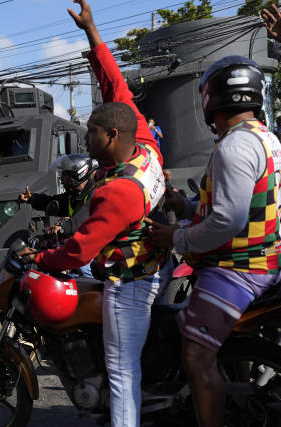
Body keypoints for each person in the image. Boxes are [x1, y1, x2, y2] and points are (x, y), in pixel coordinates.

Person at [19, 2, 168, 425]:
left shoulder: (118, 191)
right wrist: (93, 33)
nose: (85, 136)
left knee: (123, 372)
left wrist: (43, 259)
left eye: (92, 131)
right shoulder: (144, 145)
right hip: (153, 262)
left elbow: (80, 248)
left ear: (112, 135)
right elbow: (116, 87)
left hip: (130, 280)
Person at [148, 55, 281, 427]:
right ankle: (236, 390)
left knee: (195, 353)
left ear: (212, 100)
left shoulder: (233, 148)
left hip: (237, 269)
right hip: (261, 260)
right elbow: (240, 207)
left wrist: (176, 236)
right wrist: (188, 207)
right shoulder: (265, 139)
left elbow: (228, 220)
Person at [19, 153, 98, 236]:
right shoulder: (74, 196)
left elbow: (82, 219)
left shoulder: (95, 194)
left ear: (79, 174)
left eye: (65, 174)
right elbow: (52, 201)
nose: (61, 178)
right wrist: (32, 199)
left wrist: (63, 228)